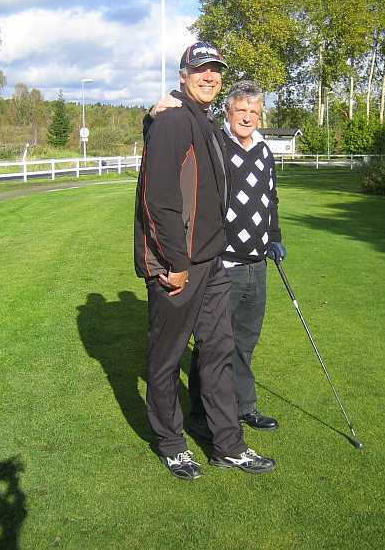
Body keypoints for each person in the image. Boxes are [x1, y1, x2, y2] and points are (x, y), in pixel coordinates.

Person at [134, 41, 276, 480]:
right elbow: (157, 200)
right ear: (183, 75)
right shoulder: (174, 120)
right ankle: (172, 445)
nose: (209, 76)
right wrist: (175, 262)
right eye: (200, 69)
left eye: (215, 69)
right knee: (167, 358)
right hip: (179, 265)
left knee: (218, 354)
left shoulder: (205, 121)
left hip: (213, 263)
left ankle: (227, 445)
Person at [151, 79, 286, 438]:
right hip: (224, 263)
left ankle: (244, 405)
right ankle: (201, 413)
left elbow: (270, 199)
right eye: (240, 110)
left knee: (244, 341)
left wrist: (274, 237)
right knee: (213, 345)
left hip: (257, 263)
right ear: (227, 111)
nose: (247, 117)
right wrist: (151, 116)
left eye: (254, 112)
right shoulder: (217, 144)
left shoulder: (264, 151)